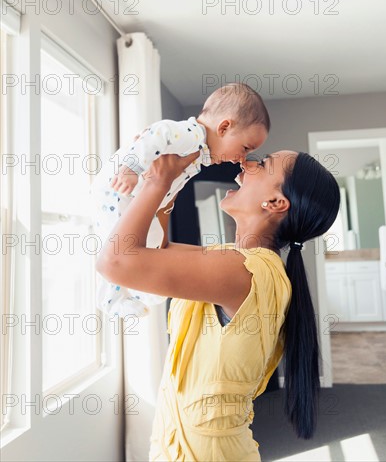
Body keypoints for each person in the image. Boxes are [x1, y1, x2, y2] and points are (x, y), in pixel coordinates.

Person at [96, 149, 340, 460]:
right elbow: (154, 250)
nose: (247, 162)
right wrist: (171, 183)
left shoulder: (247, 272)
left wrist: (159, 182)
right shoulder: (237, 261)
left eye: (262, 164)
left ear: (276, 203)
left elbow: (116, 262)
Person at [91, 83, 270, 318]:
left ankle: (139, 291)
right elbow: (156, 134)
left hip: (137, 196)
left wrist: (162, 194)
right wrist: (131, 168)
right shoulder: (191, 135)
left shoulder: (200, 152)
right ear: (224, 127)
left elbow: (167, 186)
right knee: (117, 244)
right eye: (245, 148)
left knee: (150, 245)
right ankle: (110, 301)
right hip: (118, 190)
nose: (242, 159)